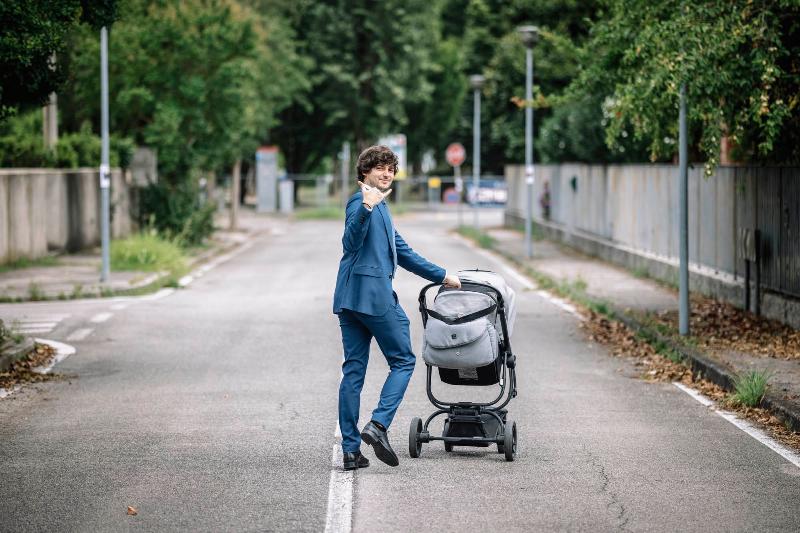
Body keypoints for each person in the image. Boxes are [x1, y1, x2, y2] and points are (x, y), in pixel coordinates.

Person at [333, 145, 461, 470]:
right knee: (403, 360)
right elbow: (350, 242)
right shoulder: (361, 202)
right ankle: (378, 425)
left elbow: (404, 253)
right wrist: (365, 206)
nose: (387, 173)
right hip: (373, 298)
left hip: (350, 299)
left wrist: (444, 276)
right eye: (380, 167)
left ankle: (351, 452)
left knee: (354, 371)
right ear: (364, 172)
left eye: (390, 168)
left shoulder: (383, 207)